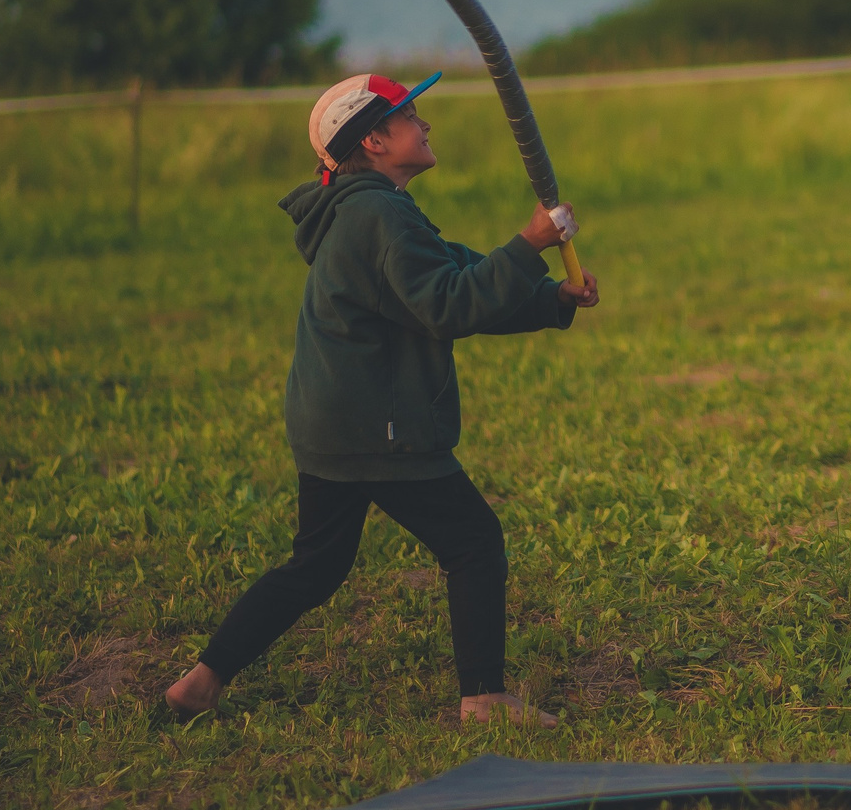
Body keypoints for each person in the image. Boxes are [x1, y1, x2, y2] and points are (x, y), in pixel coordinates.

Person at [165, 72, 599, 725]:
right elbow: (450, 305)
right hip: (377, 424)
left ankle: (199, 683)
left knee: (316, 566)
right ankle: (483, 698)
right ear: (374, 139)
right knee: (474, 542)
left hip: (334, 421)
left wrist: (550, 297)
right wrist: (529, 244)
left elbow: (455, 278)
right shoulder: (378, 214)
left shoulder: (371, 210)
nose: (426, 127)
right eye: (411, 118)